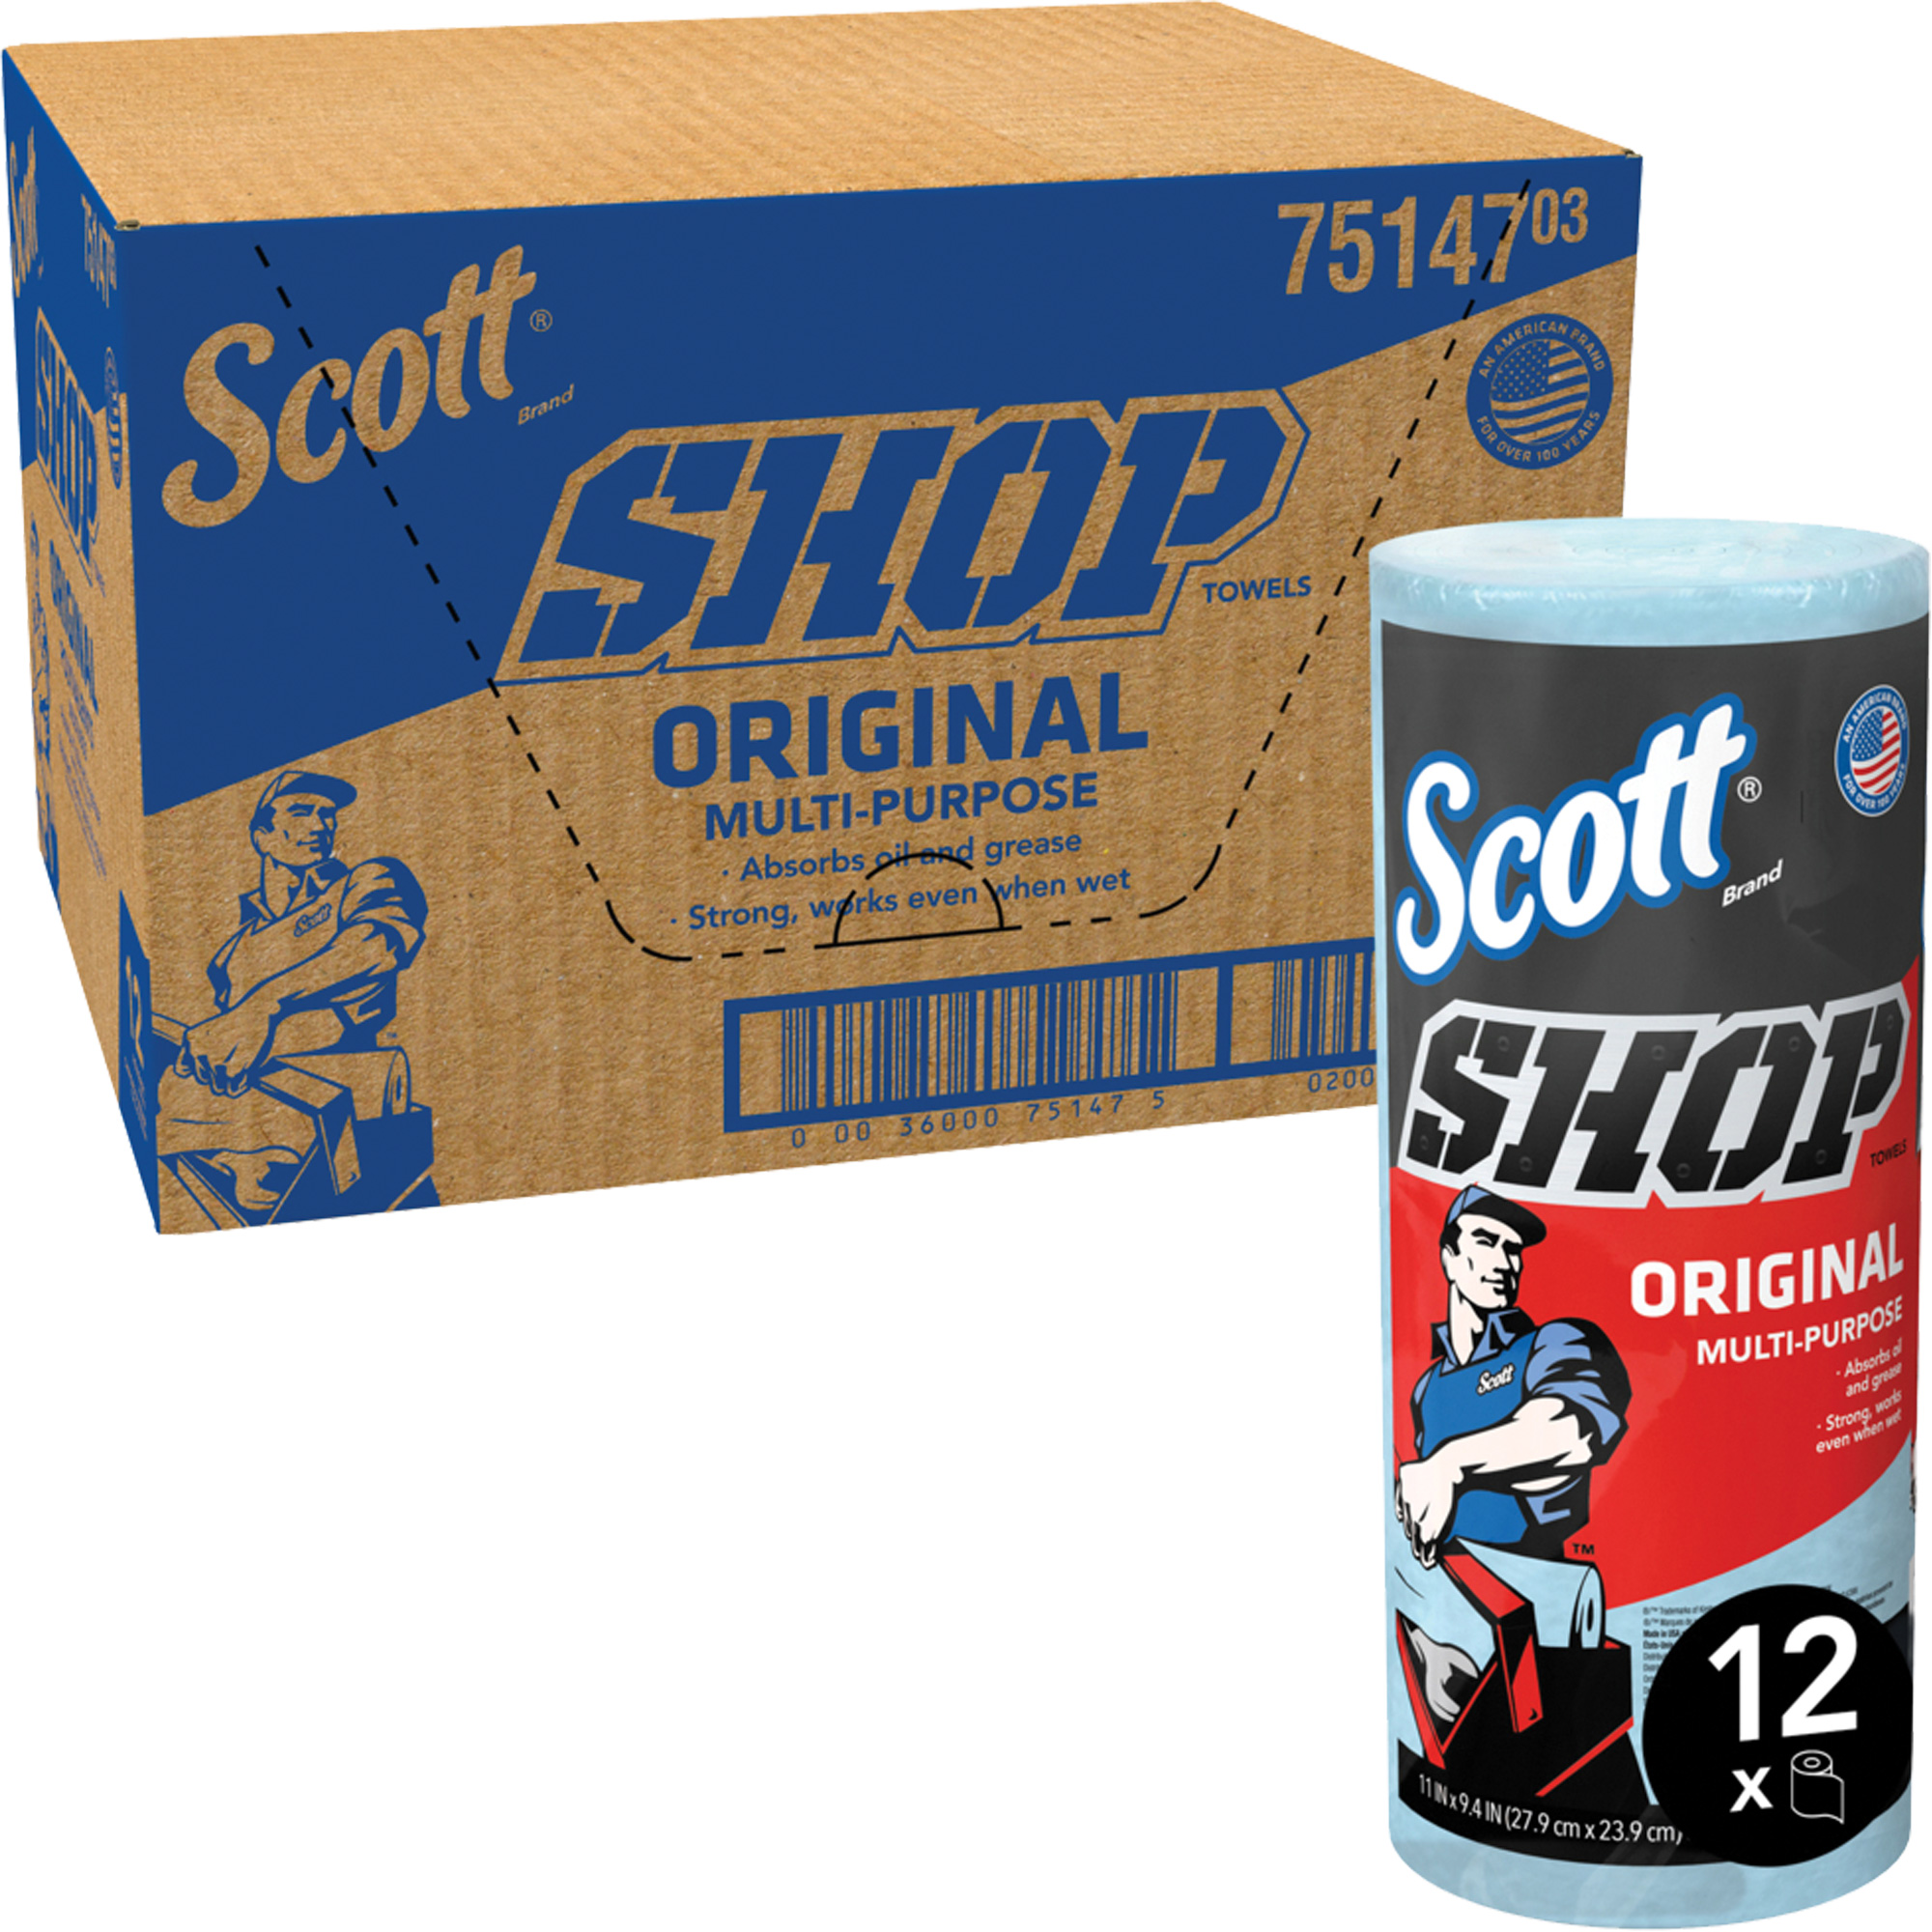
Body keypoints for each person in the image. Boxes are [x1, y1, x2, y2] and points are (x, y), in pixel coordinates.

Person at [1394, 1185, 1631, 1724]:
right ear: (1449, 1258)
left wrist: (1451, 1463)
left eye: (1514, 1249)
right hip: (1451, 1629)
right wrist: (1428, 1640)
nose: (1505, 1262)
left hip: (1543, 1622)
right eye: (1486, 1241)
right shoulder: (1425, 1388)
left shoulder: (1555, 1343)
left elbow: (1571, 1431)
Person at [159, 769, 427, 1211]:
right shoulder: (232, 952)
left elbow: (375, 944)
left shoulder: (366, 881)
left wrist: (265, 1006)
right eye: (302, 812)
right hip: (251, 1134)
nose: (321, 824)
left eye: (328, 815)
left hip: (356, 1124)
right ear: (262, 837)